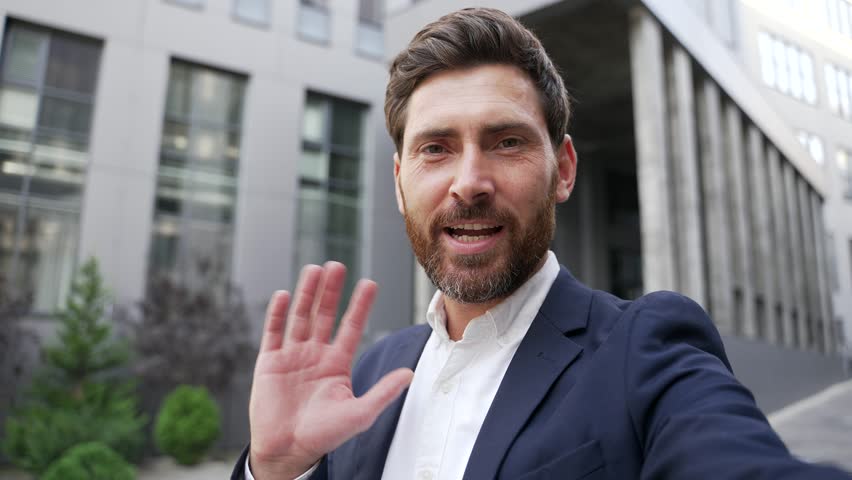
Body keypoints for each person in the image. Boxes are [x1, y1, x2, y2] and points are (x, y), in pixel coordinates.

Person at [232, 8, 852, 480]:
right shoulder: (367, 373)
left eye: (506, 142)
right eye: (435, 148)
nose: (469, 182)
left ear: (563, 169)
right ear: (400, 183)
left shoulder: (646, 351)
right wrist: (276, 468)